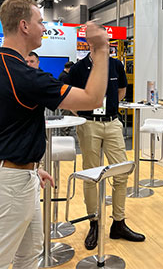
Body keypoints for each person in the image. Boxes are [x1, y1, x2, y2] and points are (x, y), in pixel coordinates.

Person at [0, 0, 109, 269]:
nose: (44, 29)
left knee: (29, 253)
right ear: (24, 26)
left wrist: (32, 167)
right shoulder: (22, 75)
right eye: (40, 22)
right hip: (9, 182)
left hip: (14, 174)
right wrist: (102, 48)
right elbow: (93, 98)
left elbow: (5, 125)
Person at [64, 46, 145, 251]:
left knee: (121, 172)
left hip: (112, 123)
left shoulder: (116, 65)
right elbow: (67, 95)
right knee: (91, 175)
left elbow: (121, 91)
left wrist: (111, 108)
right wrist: (80, 114)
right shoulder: (78, 69)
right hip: (89, 124)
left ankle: (118, 222)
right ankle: (94, 223)